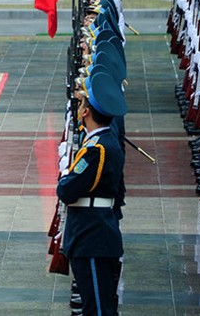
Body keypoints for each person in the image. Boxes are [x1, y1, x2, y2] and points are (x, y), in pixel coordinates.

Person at [57, 69, 126, 316]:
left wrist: (66, 172)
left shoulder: (96, 150)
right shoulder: (103, 143)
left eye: (81, 104)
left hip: (92, 236)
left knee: (97, 309)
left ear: (86, 112)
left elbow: (66, 191)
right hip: (97, 232)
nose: (78, 107)